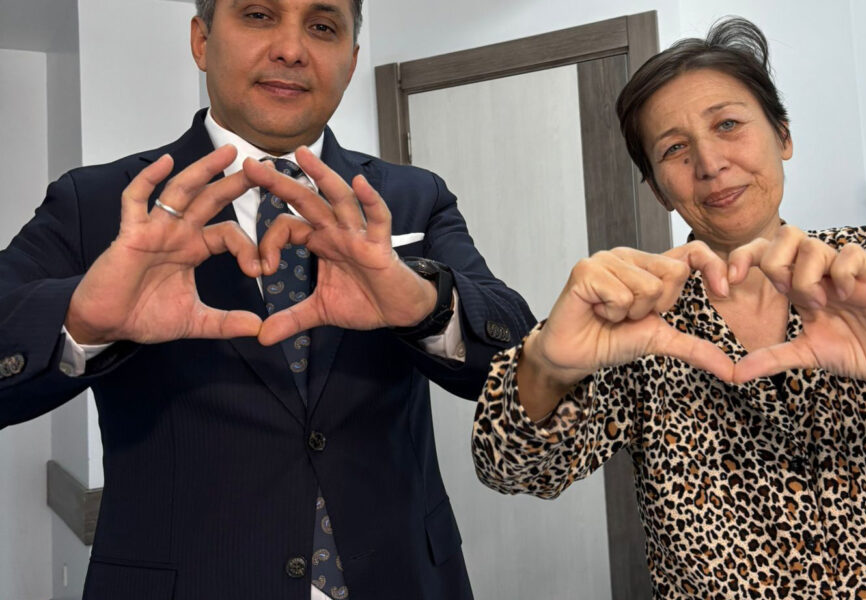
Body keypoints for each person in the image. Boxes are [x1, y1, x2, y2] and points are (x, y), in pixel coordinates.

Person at [0, 0, 533, 598]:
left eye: (323, 27)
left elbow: (524, 359)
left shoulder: (411, 197)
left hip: (403, 577)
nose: (291, 49)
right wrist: (81, 322)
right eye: (258, 15)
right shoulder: (101, 203)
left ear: (351, 61)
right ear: (202, 41)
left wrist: (424, 307)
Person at [472, 17, 866, 599]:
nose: (709, 163)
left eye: (727, 124)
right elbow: (513, 469)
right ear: (657, 189)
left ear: (783, 136)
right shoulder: (634, 314)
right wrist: (547, 367)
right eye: (674, 148)